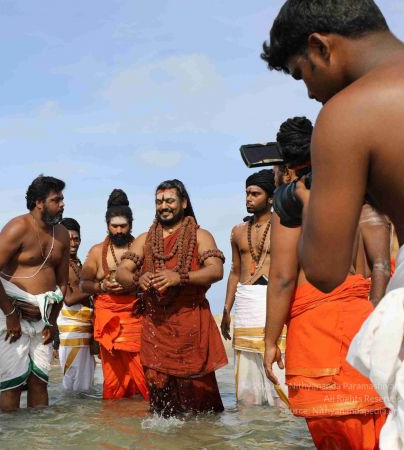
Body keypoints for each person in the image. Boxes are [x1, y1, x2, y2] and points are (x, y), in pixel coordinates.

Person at [263, 1, 404, 446]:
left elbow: (325, 270)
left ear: (321, 47)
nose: (309, 93)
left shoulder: (348, 112)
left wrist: (304, 203)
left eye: (301, 74)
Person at [263, 117, 389, 449]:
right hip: (363, 322)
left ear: (285, 163)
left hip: (317, 331)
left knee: (336, 433)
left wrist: (270, 341)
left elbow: (282, 278)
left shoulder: (290, 200)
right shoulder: (357, 192)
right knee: (376, 428)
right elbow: (381, 266)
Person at [116, 180, 227, 416]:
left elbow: (216, 270)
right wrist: (138, 278)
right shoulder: (145, 239)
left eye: (169, 200)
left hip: (191, 326)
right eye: (159, 202)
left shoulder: (200, 235)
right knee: (160, 405)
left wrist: (179, 277)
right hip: (156, 327)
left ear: (184, 203)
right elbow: (122, 272)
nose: (163, 206)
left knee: (200, 407)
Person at [0, 175, 68, 412]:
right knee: (12, 385)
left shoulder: (61, 234)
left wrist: (52, 320)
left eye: (62, 199)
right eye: (56, 200)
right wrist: (10, 313)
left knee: (40, 381)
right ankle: (10, 433)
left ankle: (37, 432)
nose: (62, 204)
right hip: (11, 316)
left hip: (43, 319)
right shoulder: (18, 227)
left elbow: (63, 284)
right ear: (39, 202)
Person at [221, 169, 288, 407]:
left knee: (280, 381)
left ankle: (283, 426)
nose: (248, 198)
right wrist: (227, 309)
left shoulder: (284, 225)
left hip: (273, 301)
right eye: (247, 193)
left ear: (270, 198)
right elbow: (234, 271)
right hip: (246, 303)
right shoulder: (237, 231)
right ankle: (250, 425)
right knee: (247, 394)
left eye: (255, 194)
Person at [81, 190, 148, 400]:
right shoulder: (96, 251)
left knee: (142, 372)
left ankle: (142, 412)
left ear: (131, 225)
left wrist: (133, 285)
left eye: (123, 226)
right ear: (107, 225)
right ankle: (114, 415)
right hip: (107, 316)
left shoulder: (143, 248)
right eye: (114, 226)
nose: (119, 230)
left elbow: (152, 279)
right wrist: (102, 286)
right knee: (112, 377)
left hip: (135, 317)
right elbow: (84, 284)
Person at [56, 217, 95, 392]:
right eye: (69, 239)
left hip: (84, 331)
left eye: (76, 239)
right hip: (72, 333)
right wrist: (97, 287)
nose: (73, 243)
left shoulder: (78, 264)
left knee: (85, 386)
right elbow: (69, 299)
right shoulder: (59, 264)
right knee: (75, 389)